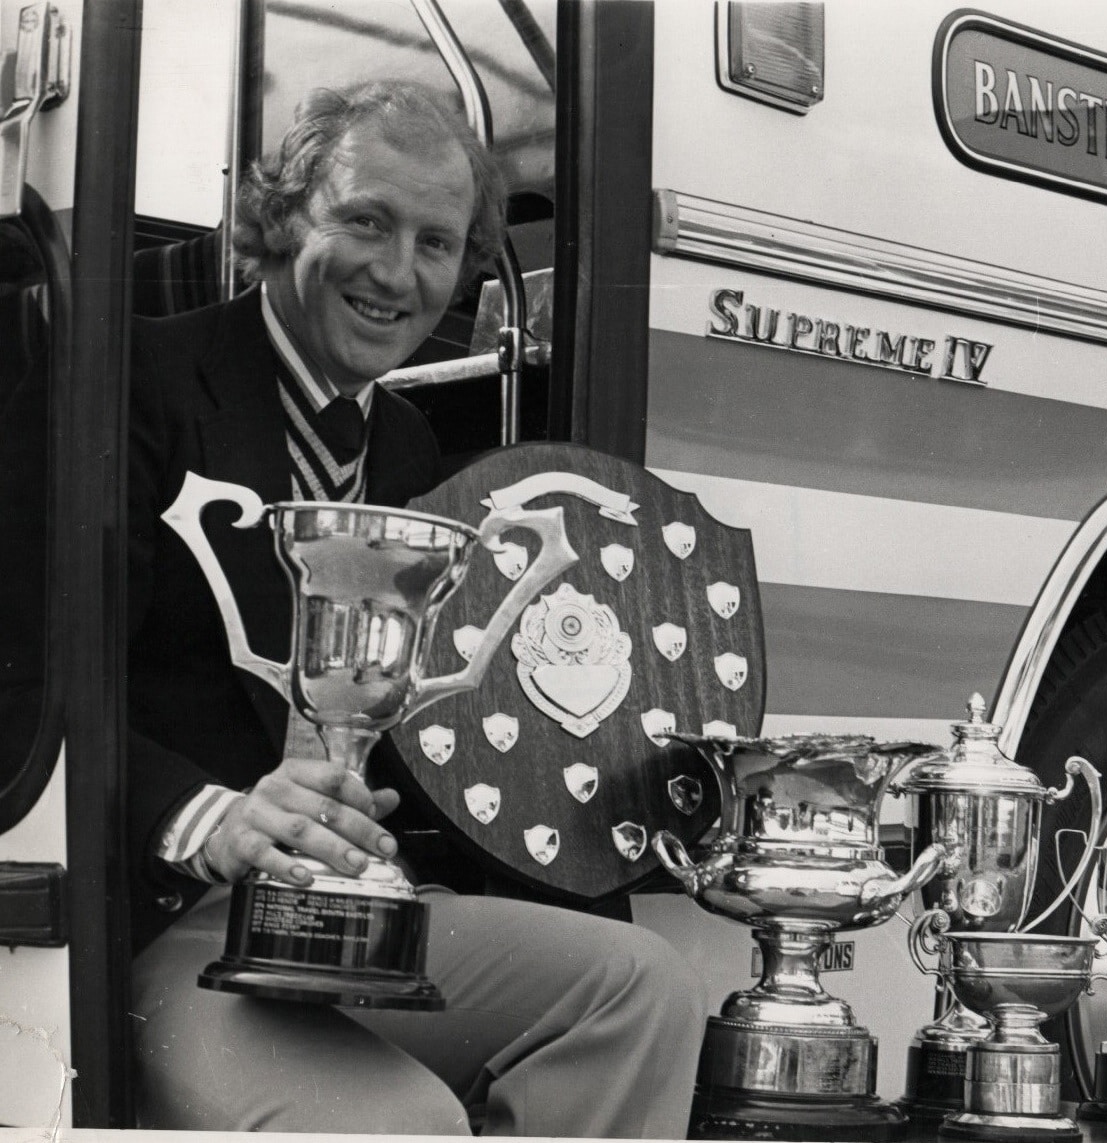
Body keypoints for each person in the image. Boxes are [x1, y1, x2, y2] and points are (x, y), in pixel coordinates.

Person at [126, 80, 706, 1137]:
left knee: (643, 986)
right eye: (364, 220)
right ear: (278, 218)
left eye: (435, 243)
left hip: (349, 910)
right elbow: (18, 682)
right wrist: (213, 821)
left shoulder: (401, 448)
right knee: (406, 1124)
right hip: (170, 916)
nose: (397, 273)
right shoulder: (132, 386)